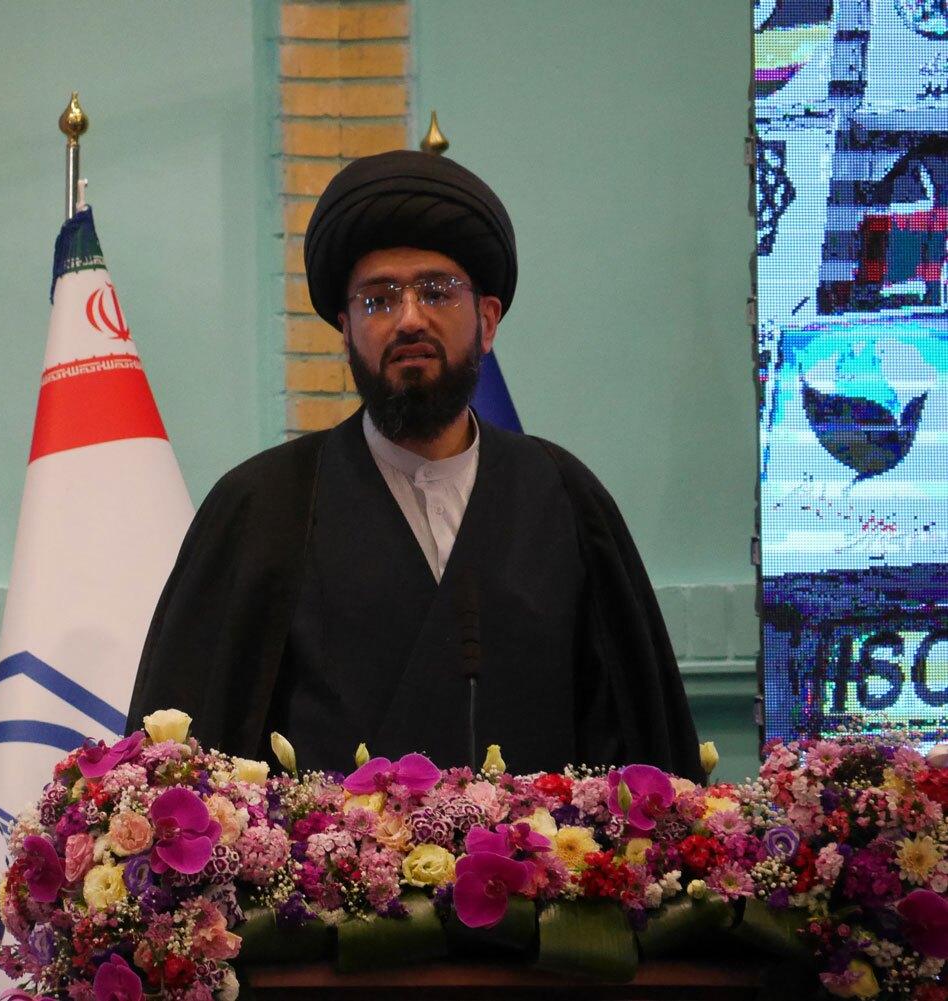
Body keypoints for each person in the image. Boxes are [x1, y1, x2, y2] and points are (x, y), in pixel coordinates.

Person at [126, 150, 703, 781]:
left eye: (436, 292)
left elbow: (639, 744)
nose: (408, 319)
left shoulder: (564, 498)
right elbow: (187, 762)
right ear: (345, 330)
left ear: (487, 321)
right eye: (378, 300)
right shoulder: (262, 506)